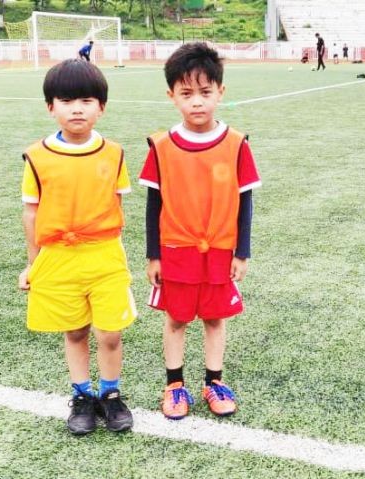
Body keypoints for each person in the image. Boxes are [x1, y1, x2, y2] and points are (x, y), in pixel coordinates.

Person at [139, 43, 261, 420]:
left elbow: (245, 202)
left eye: (205, 93)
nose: (197, 102)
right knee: (175, 318)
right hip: (176, 251)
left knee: (214, 317)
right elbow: (153, 204)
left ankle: (213, 381)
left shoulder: (236, 143)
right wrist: (153, 255)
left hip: (221, 251)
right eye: (186, 94)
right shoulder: (161, 146)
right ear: (171, 96)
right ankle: (174, 385)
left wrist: (242, 252)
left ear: (220, 92)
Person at [19, 58, 135, 435]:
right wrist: (32, 264)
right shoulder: (37, 156)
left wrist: (115, 253)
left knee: (110, 332)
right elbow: (32, 214)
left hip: (104, 255)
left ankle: (111, 394)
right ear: (50, 107)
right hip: (59, 258)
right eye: (66, 100)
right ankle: (83, 396)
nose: (77, 108)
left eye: (86, 100)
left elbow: (117, 207)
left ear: (101, 107)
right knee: (74, 331)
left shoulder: (114, 153)